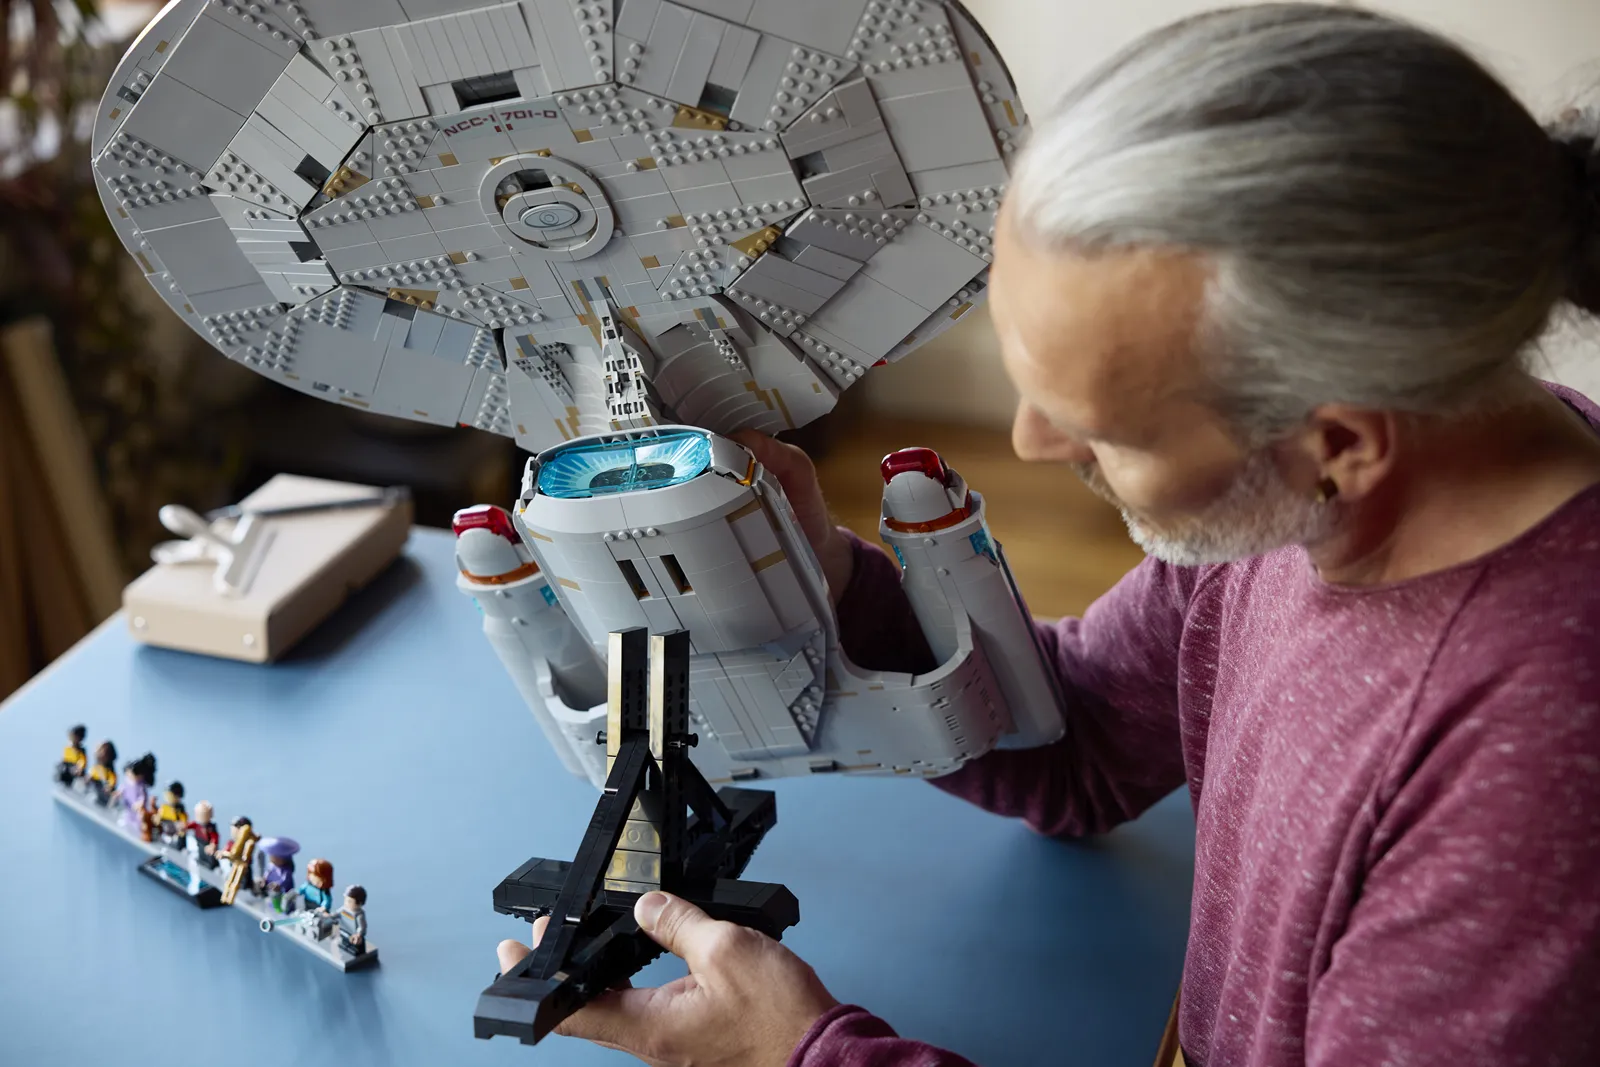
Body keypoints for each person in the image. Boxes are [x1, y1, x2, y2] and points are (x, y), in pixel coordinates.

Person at [497, 5, 1600, 1066]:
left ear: (1340, 440)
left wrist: (799, 1052)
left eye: (1102, 427)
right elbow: (1074, 748)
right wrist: (819, 574)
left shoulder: (1537, 777)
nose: (1030, 441)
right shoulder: (1313, 502)